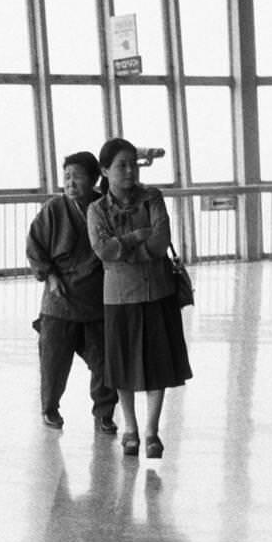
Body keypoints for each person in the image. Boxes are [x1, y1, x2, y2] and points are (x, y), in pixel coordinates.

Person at [87, 138, 192, 458]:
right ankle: (130, 428)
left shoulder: (152, 197)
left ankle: (152, 431)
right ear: (105, 171)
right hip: (119, 297)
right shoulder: (96, 209)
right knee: (122, 364)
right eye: (121, 165)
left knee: (158, 362)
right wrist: (136, 237)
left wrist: (128, 249)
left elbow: (161, 241)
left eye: (133, 163)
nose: (130, 170)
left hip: (158, 290)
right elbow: (102, 249)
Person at [26, 151, 119, 433]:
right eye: (66, 176)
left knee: (106, 362)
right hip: (60, 299)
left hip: (97, 298)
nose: (69, 182)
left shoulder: (105, 208)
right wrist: (50, 276)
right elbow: (35, 247)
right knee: (53, 360)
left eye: (76, 176)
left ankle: (104, 413)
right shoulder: (54, 209)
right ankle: (49, 408)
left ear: (93, 179)